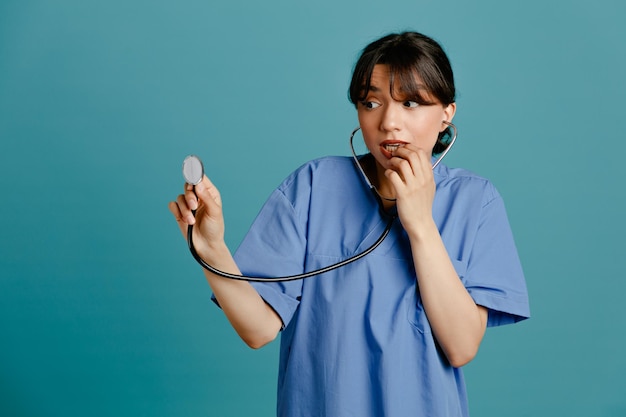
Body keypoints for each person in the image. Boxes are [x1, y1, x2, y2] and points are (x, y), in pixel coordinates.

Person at [169, 31, 530, 417]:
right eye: (371, 102)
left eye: (411, 102)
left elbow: (461, 347)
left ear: (447, 114)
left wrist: (421, 224)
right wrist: (211, 249)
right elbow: (258, 330)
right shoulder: (311, 188)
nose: (389, 122)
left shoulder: (475, 202)